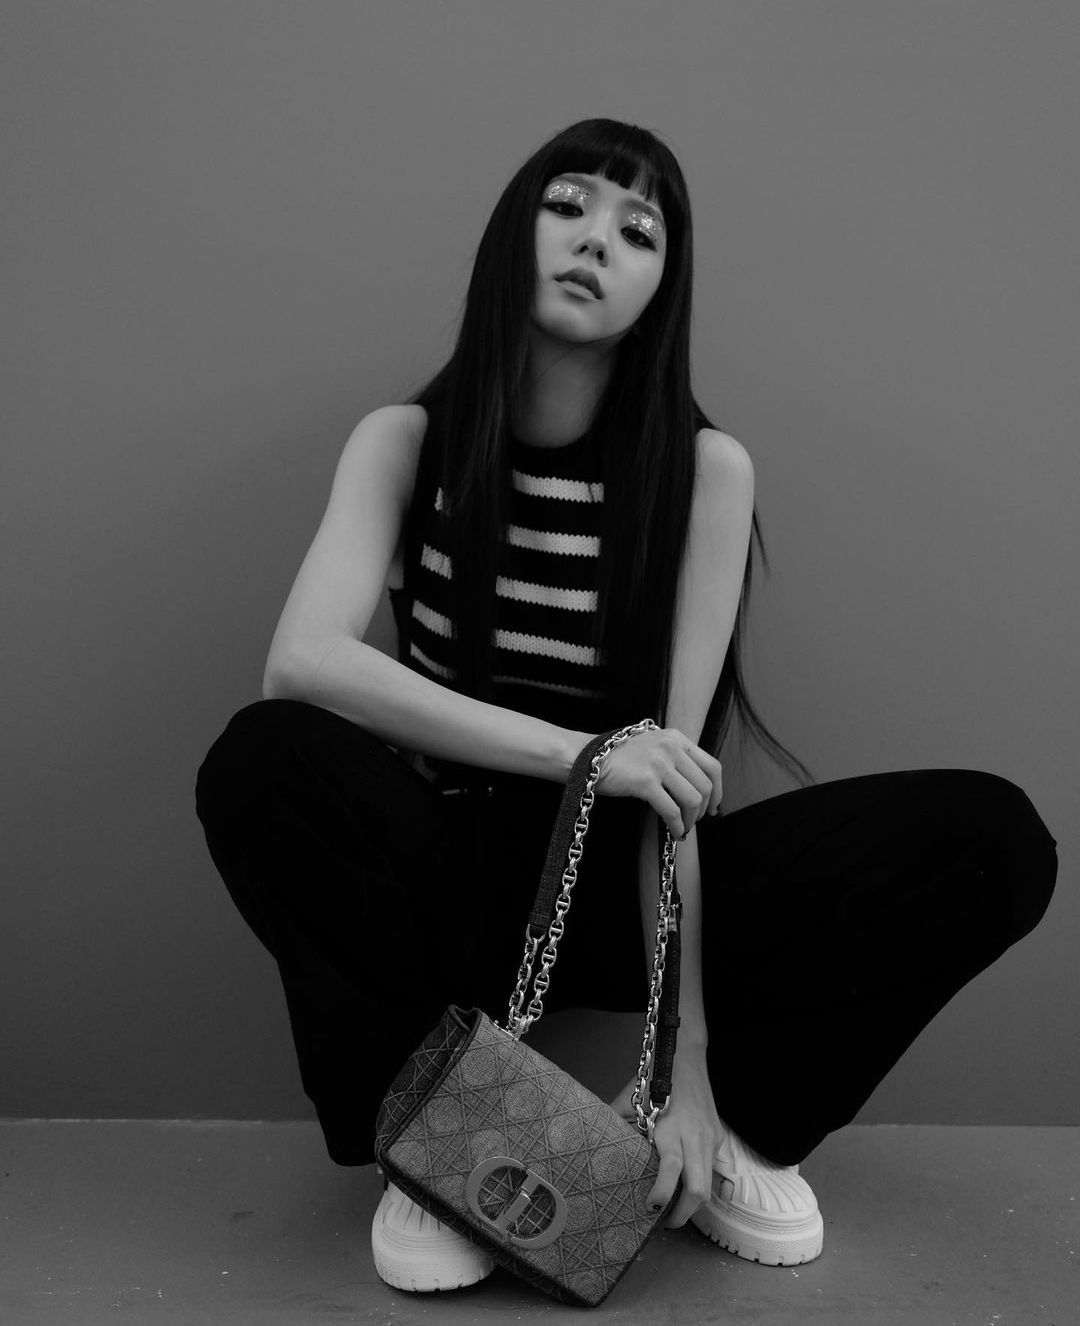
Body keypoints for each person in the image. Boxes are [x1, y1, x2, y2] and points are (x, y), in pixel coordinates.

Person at [194, 118, 1057, 1296]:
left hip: (621, 879)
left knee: (991, 837)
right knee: (263, 759)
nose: (596, 239)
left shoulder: (705, 473)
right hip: (450, 871)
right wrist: (586, 753)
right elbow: (301, 660)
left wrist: (682, 1067)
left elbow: (674, 785)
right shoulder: (406, 443)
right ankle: (438, 1132)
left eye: (637, 229)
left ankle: (731, 1132)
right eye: (569, 206)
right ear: (514, 232)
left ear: (663, 285)